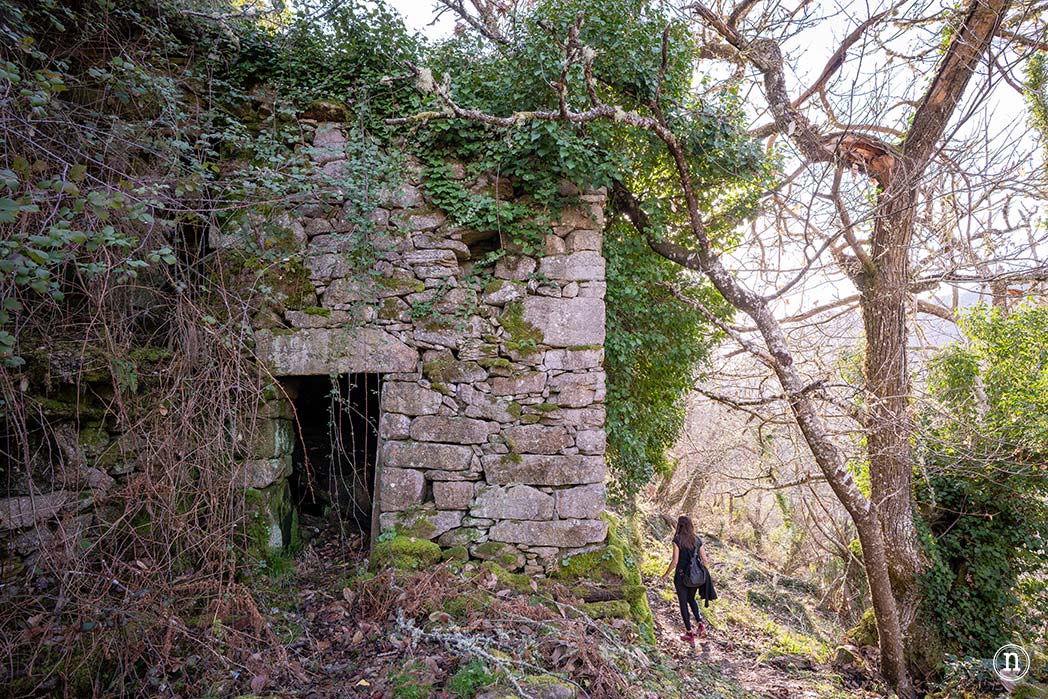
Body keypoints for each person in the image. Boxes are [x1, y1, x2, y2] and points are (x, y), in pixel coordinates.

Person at [660, 515, 714, 642]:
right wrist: (703, 571)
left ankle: (689, 633)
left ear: (679, 526)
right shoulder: (697, 540)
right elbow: (705, 560)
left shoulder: (677, 540)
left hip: (681, 576)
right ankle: (700, 624)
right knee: (692, 599)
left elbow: (675, 561)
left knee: (683, 602)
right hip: (695, 578)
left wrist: (666, 574)